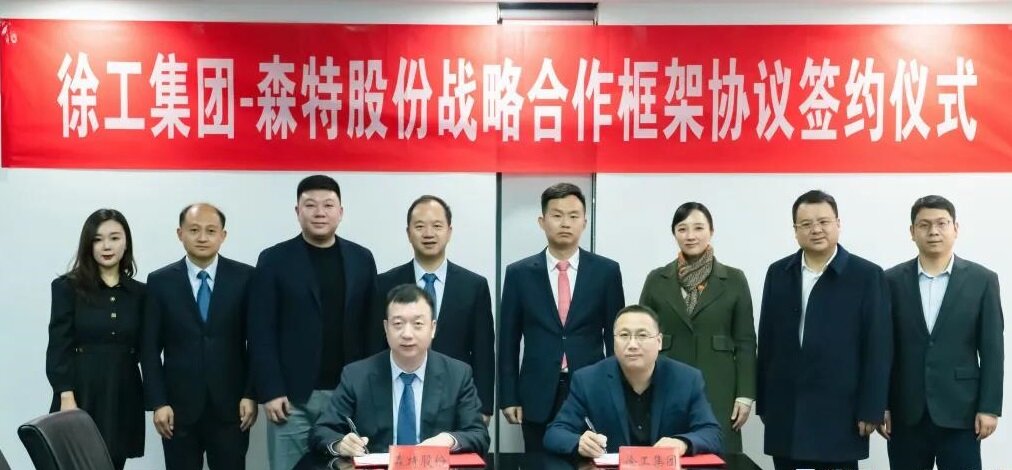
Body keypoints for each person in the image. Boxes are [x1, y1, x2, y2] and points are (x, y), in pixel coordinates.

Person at [249, 175, 380, 470]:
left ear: (340, 212)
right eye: (310, 205)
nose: (320, 212)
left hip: (348, 396)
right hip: (291, 399)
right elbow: (261, 331)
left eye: (328, 205)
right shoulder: (273, 260)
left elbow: (372, 329)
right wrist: (270, 390)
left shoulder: (362, 259)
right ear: (297, 211)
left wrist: (371, 390)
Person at [756, 190, 892, 470]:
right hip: (787, 406)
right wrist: (764, 401)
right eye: (806, 224)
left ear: (838, 224)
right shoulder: (778, 272)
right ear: (795, 230)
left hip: (841, 409)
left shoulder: (866, 275)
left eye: (823, 222)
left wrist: (872, 407)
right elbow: (767, 341)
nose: (816, 230)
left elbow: (878, 347)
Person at [879, 195, 1003, 470]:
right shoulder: (890, 281)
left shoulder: (982, 280)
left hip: (962, 412)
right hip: (905, 411)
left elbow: (993, 349)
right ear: (912, 232)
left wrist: (989, 407)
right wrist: (881, 404)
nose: (933, 231)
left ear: (955, 228)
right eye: (924, 225)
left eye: (941, 223)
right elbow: (883, 349)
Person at [500, 182, 625, 452]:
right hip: (537, 391)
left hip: (591, 388)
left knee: (590, 460)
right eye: (557, 215)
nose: (565, 223)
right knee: (538, 461)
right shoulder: (519, 273)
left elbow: (616, 337)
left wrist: (617, 390)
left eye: (573, 216)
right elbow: (508, 340)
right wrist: (509, 396)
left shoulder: (606, 272)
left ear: (584, 222)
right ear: (542, 222)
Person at [309, 284, 489, 456]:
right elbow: (322, 431)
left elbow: (478, 434)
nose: (407, 334)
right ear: (386, 328)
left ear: (433, 328)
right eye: (398, 324)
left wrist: (449, 440)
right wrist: (341, 444)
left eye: (418, 324)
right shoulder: (356, 375)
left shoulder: (457, 375)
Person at [141, 203, 257, 469]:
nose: (202, 237)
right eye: (194, 230)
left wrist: (251, 393)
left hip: (232, 407)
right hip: (177, 409)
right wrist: (158, 402)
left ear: (223, 235)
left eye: (210, 231)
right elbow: (149, 348)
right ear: (180, 233)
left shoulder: (245, 277)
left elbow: (256, 342)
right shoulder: (160, 281)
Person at [639, 202, 756, 453]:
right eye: (682, 229)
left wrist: (745, 395)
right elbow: (642, 336)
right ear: (674, 233)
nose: (690, 235)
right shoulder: (657, 279)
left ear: (711, 231)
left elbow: (746, 341)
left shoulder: (734, 279)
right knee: (667, 454)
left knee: (717, 454)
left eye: (698, 228)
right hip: (665, 383)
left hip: (719, 385)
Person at [544, 305, 722, 458]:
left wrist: (683, 443)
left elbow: (712, 433)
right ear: (614, 341)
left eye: (642, 335)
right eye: (624, 335)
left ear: (659, 341)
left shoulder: (687, 379)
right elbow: (555, 433)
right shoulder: (588, 380)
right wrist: (579, 443)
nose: (632, 344)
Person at [376, 195, 494, 422]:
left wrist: (483, 406)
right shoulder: (384, 284)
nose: (428, 233)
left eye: (437, 226)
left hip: (457, 396)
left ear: (449, 231)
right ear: (408, 233)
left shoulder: (474, 286)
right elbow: (376, 346)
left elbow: (484, 352)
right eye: (420, 226)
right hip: (399, 393)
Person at [46, 208, 145, 470]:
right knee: (76, 461)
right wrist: (66, 395)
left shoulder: (140, 293)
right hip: (81, 391)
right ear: (88, 245)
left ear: (126, 242)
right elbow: (59, 345)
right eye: (97, 239)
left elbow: (147, 348)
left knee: (113, 461)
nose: (106, 246)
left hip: (123, 390)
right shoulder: (67, 288)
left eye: (114, 238)